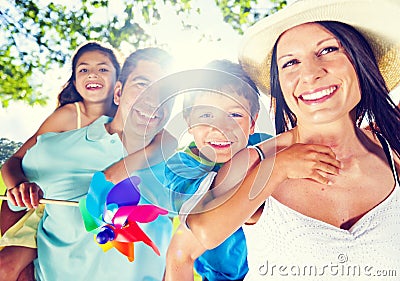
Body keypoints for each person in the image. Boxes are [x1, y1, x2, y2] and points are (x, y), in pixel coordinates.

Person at [185, 0, 400, 280]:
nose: (310, 74)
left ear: (362, 61)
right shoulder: (254, 162)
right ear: (280, 87)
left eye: (328, 50)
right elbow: (204, 230)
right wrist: (277, 168)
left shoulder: (392, 148)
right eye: (291, 63)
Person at [5, 47, 177, 281]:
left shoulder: (174, 162)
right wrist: (19, 188)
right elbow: (14, 168)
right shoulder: (60, 139)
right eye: (142, 84)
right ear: (119, 92)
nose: (155, 99)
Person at [0, 41, 122, 281]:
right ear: (75, 81)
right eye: (83, 70)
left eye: (103, 69)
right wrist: (19, 186)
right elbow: (14, 161)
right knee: (6, 268)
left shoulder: (126, 123)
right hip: (45, 208)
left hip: (92, 218)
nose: (93, 74)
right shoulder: (69, 115)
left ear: (119, 82)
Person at [164, 60, 270, 281]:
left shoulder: (268, 145)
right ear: (188, 122)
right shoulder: (181, 166)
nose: (221, 127)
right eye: (206, 116)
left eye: (235, 115)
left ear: (252, 123)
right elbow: (217, 207)